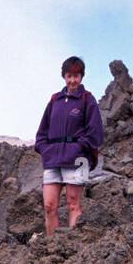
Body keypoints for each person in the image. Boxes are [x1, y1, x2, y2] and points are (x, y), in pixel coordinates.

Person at [34, 55, 104, 237]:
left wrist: (79, 147)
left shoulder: (87, 100)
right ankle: (52, 247)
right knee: (49, 206)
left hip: (76, 159)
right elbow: (42, 130)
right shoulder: (54, 100)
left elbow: (95, 131)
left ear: (81, 77)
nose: (72, 80)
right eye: (69, 76)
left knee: (73, 204)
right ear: (63, 77)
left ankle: (72, 248)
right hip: (53, 160)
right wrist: (43, 148)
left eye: (76, 76)